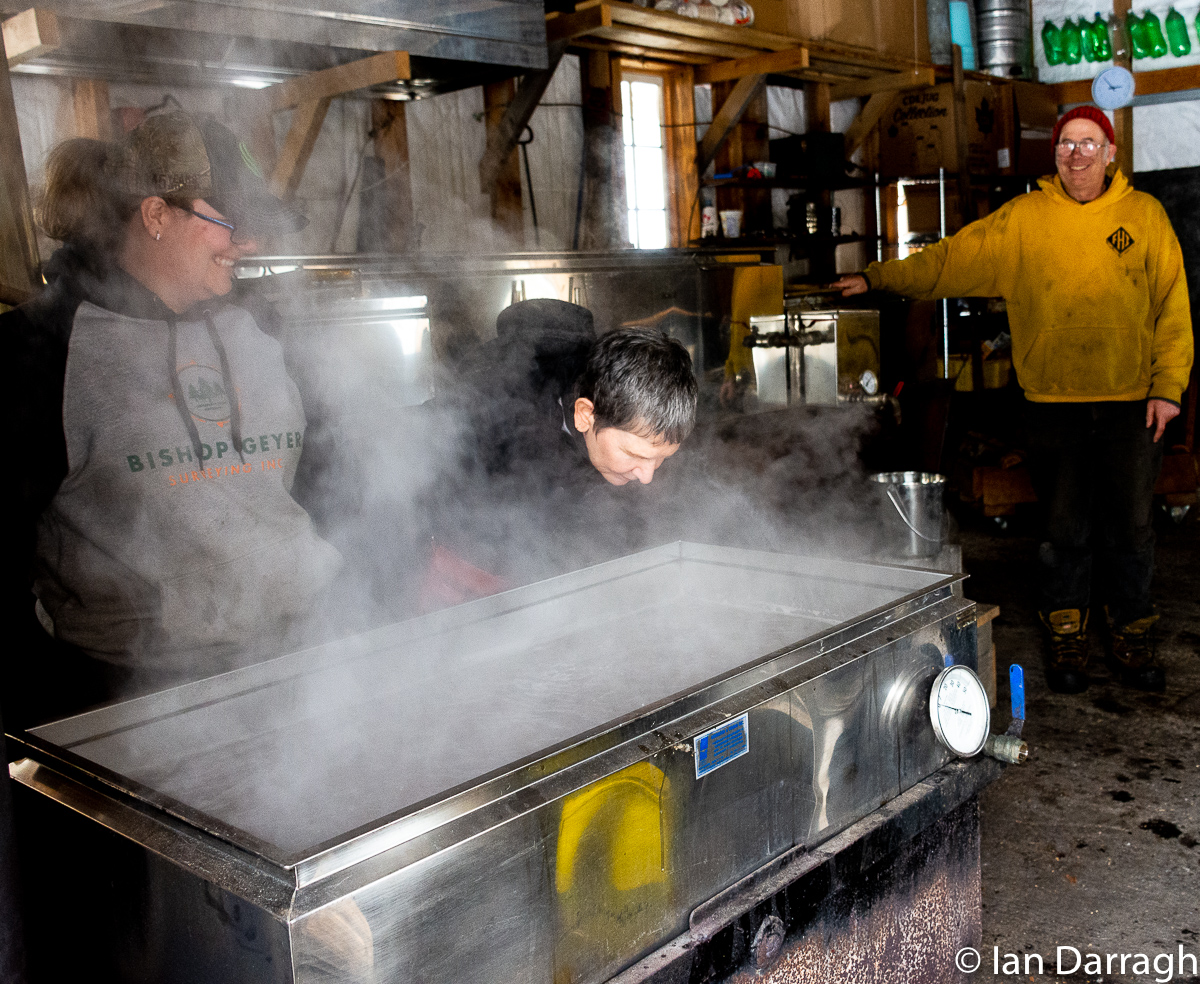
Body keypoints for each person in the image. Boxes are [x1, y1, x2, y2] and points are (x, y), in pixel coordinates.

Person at [832, 105, 1193, 695]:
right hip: (1051, 403)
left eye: (1088, 143)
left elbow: (1172, 311)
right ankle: (1066, 632)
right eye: (1066, 145)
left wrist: (1167, 389)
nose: (1076, 154)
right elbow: (951, 259)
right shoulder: (1024, 219)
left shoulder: (1144, 216)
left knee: (1129, 528)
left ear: (1110, 153)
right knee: (1061, 531)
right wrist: (878, 278)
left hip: (1132, 403)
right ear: (1055, 156)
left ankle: (1132, 629)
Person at [6, 112, 344, 724]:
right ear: (156, 216)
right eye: (232, 224)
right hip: (134, 703)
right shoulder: (40, 353)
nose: (251, 245)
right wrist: (61, 712)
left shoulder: (266, 330)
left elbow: (329, 478)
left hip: (305, 667)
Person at [426, 299, 697, 599]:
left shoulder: (616, 396)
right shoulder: (491, 406)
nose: (647, 476)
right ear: (585, 415)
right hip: (466, 571)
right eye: (634, 455)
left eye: (660, 459)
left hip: (540, 576)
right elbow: (419, 472)